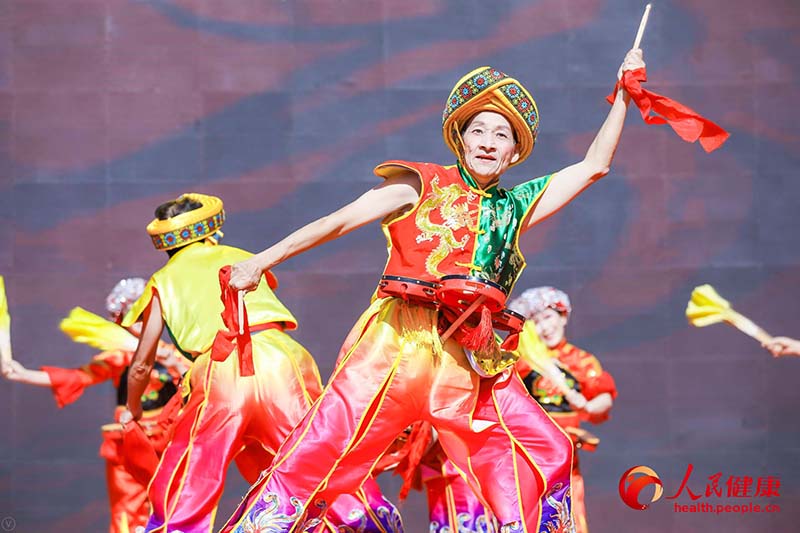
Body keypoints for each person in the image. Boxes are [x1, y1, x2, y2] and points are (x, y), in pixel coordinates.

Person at [224, 46, 646, 533]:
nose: (488, 141)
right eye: (478, 130)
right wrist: (261, 260)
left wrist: (624, 95)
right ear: (461, 139)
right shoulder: (420, 184)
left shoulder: (514, 205)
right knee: (319, 455)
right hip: (397, 345)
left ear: (514, 152)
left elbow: (593, 166)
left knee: (544, 449)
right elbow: (338, 221)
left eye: (501, 134)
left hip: (471, 357)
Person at [120, 193, 401, 533]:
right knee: (316, 454)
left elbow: (140, 365)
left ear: (166, 245)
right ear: (211, 234)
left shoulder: (162, 282)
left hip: (220, 370)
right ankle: (368, 521)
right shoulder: (241, 257)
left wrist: (131, 408)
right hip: (282, 360)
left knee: (194, 469)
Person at [0, 278, 186, 533]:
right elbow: (78, 377)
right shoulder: (121, 356)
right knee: (128, 510)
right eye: (132, 319)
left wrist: (175, 364)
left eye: (145, 317)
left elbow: (199, 382)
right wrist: (21, 374)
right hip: (131, 442)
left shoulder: (173, 353)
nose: (140, 326)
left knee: (175, 506)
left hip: (169, 443)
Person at [510, 287, 617, 533]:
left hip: (565, 455)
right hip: (527, 451)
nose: (543, 328)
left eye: (548, 318)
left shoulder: (580, 360)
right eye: (535, 322)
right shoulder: (521, 360)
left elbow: (603, 396)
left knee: (568, 511)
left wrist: (588, 406)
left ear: (563, 316)